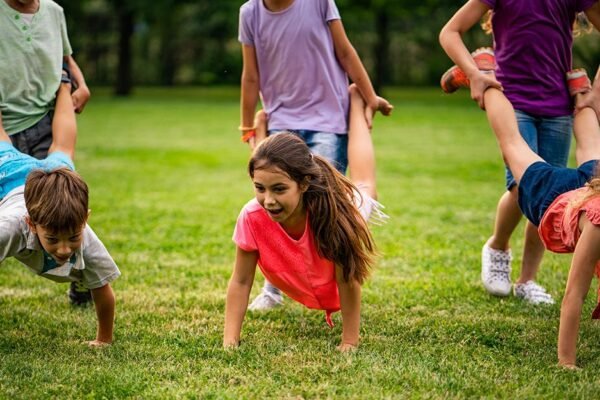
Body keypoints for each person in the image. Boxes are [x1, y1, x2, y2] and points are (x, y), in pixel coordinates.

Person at [439, 0, 600, 304]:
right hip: (511, 98)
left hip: (557, 107)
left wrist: (596, 93)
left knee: (551, 199)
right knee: (520, 186)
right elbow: (450, 32)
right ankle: (498, 247)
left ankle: (527, 280)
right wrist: (475, 75)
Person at [238, 0, 392, 310]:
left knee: (318, 203)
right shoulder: (250, 13)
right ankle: (273, 289)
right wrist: (247, 125)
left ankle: (331, 277)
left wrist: (369, 94)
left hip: (327, 122)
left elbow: (345, 51)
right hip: (281, 120)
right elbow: (251, 75)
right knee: (279, 203)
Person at [224, 86, 385, 351]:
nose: (268, 200)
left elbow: (347, 281)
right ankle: (262, 136)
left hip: (347, 207)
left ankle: (356, 103)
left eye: (279, 189)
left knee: (365, 183)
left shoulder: (338, 217)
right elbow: (241, 281)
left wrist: (349, 341)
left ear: (304, 184)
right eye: (259, 188)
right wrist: (230, 341)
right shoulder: (252, 215)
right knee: (268, 170)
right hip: (281, 173)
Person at [478, 70, 600, 368]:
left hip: (592, 186)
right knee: (513, 145)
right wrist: (566, 361)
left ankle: (579, 90)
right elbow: (574, 294)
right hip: (553, 199)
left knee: (591, 146)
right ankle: (485, 79)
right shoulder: (599, 224)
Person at [0, 70, 119, 346]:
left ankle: (63, 85)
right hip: (12, 178)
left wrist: (104, 340)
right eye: (53, 239)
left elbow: (103, 290)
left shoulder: (84, 234)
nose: (65, 249)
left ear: (84, 220)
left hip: (53, 175)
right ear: (31, 224)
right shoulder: (10, 226)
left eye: (73, 238)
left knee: (64, 150)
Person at [0, 0, 93, 305]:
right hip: (4, 123)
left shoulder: (53, 11)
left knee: (63, 205)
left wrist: (79, 82)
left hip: (45, 121)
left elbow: (64, 57)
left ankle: (84, 278)